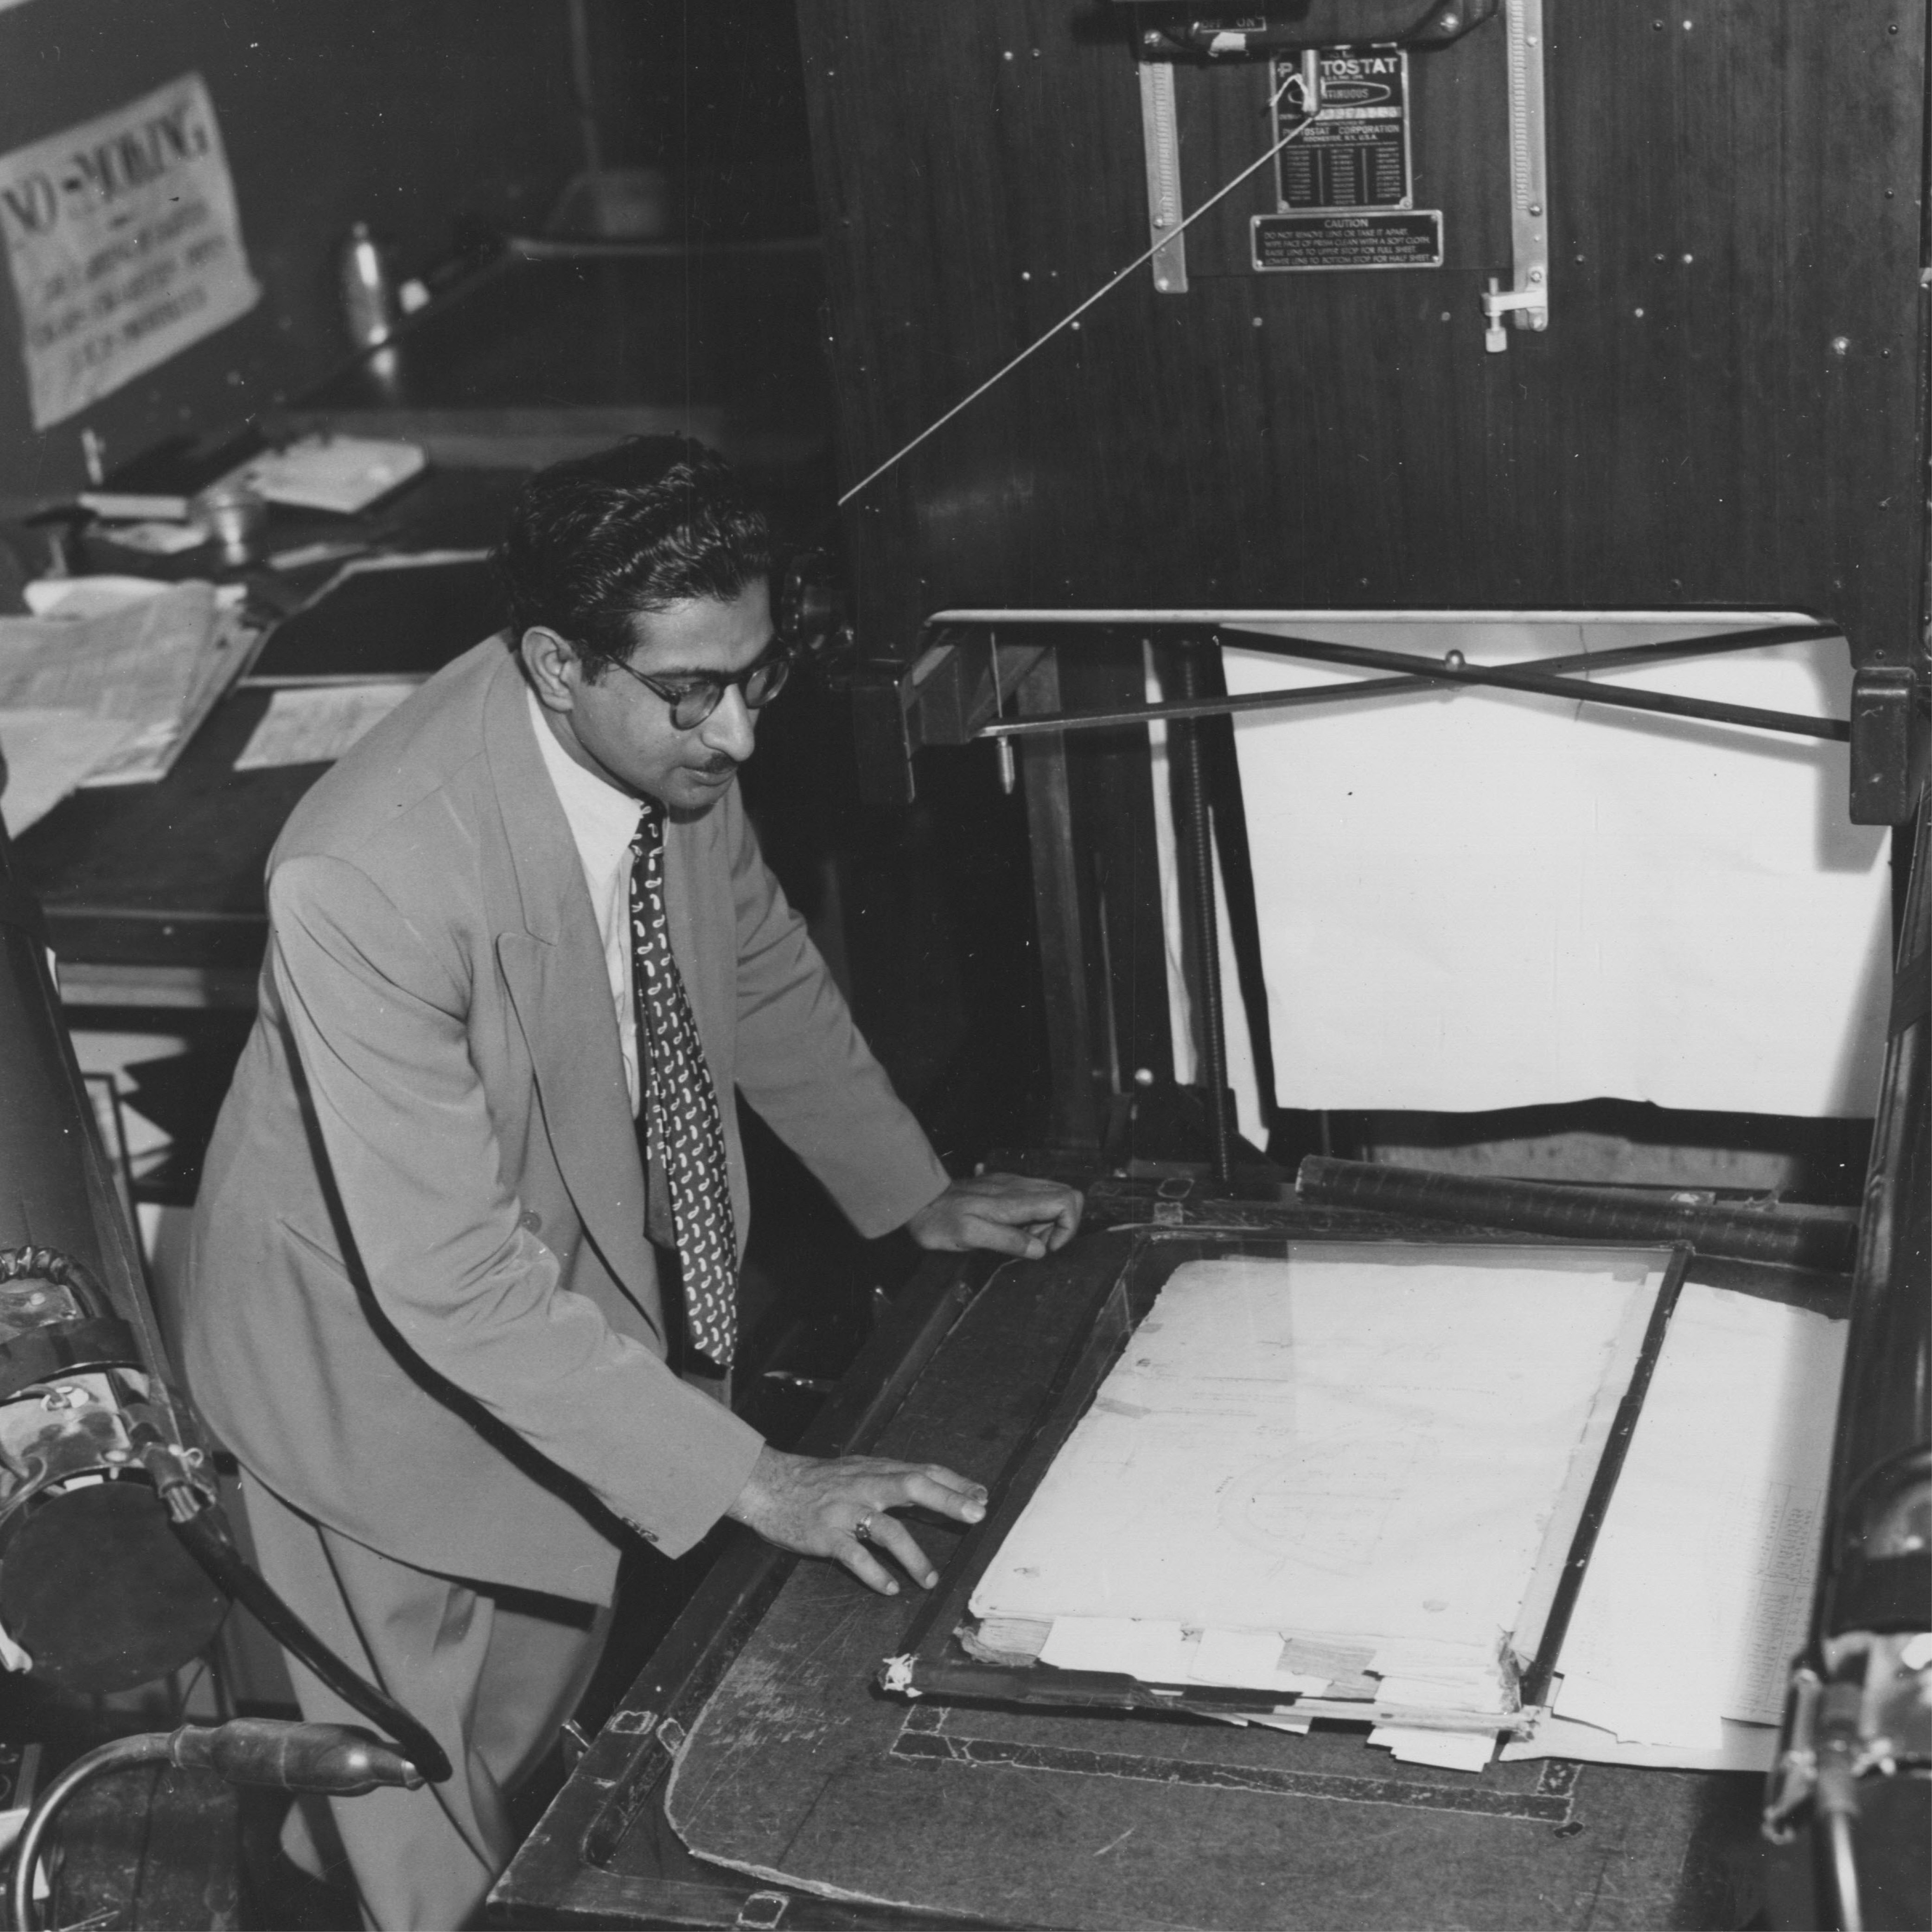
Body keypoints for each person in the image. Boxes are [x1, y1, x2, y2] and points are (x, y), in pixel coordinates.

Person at [179, 438, 1082, 1930]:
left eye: (756, 679)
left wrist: (905, 1188)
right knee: (441, 1858)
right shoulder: (366, 874)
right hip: (367, 1391)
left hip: (577, 1349)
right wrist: (760, 1481)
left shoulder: (665, 737)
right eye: (691, 694)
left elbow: (756, 962)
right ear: (552, 662)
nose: (733, 735)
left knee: (518, 1758)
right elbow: (453, 1281)